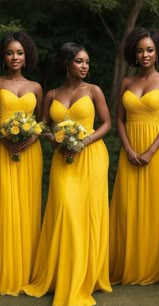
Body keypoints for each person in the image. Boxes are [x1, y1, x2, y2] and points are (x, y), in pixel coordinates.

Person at [23, 42, 112, 305]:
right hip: (64, 159)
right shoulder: (51, 95)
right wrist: (57, 139)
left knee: (87, 216)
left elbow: (107, 123)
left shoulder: (94, 91)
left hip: (92, 156)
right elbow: (42, 127)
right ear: (66, 63)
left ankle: (84, 278)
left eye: (87, 62)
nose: (85, 66)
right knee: (65, 211)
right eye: (79, 61)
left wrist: (84, 141)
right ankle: (62, 275)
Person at [109, 27, 159, 285]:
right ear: (133, 54)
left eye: (149, 49)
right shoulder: (127, 82)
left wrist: (150, 151)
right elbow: (119, 119)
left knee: (156, 208)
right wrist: (127, 149)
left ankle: (154, 268)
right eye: (140, 50)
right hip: (130, 148)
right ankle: (128, 266)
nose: (145, 54)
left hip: (156, 149)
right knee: (128, 207)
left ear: (158, 51)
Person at [0, 31, 43, 295]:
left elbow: (41, 123)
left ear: (26, 57)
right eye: (9, 52)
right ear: (3, 56)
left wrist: (30, 139)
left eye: (19, 53)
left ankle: (26, 270)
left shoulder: (36, 87)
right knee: (4, 207)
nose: (14, 57)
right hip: (2, 151)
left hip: (29, 155)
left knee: (27, 208)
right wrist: (4, 139)